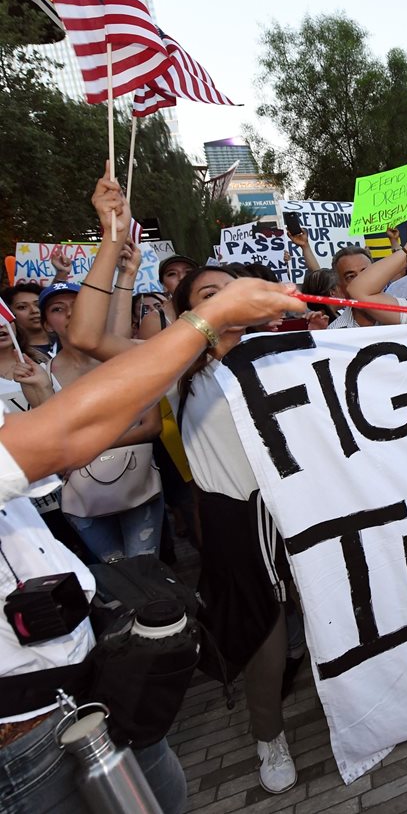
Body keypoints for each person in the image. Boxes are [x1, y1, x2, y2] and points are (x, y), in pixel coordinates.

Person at [0, 203, 302, 813]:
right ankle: (269, 737)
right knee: (263, 632)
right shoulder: (175, 367)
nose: (229, 302)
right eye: (211, 295)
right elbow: (85, 336)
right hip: (238, 520)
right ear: (191, 312)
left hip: (308, 509)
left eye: (235, 291)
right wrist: (112, 244)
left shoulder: (296, 350)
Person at [45, 275, 165, 565]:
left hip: (136, 482)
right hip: (81, 495)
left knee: (145, 570)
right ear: (46, 324)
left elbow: (152, 425)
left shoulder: (122, 358)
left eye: (77, 304)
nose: (70, 313)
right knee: (117, 575)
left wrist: (88, 447)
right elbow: (50, 440)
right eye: (57, 309)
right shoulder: (41, 375)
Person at [2, 284, 55, 363]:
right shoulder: (13, 354)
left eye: (38, 304)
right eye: (22, 307)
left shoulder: (68, 341)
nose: (34, 310)